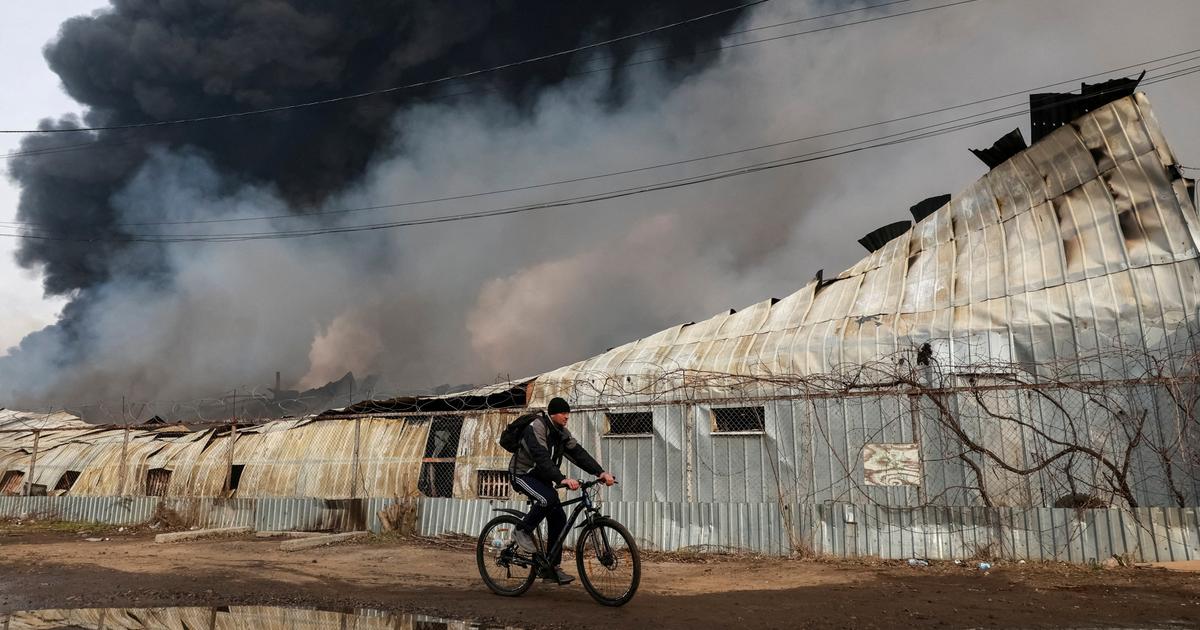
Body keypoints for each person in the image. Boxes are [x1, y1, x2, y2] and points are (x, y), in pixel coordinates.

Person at [508, 396, 616, 585]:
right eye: (563, 413)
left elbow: (578, 453)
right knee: (548, 498)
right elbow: (541, 457)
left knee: (559, 517)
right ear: (552, 413)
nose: (567, 417)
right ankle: (521, 531)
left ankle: (551, 568)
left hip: (540, 477)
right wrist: (561, 479)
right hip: (522, 474)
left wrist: (600, 472)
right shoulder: (537, 427)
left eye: (568, 413)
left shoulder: (561, 432)